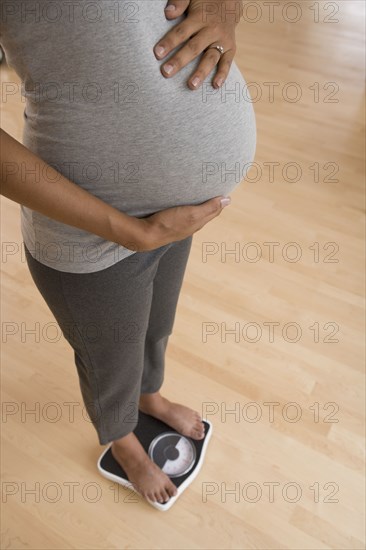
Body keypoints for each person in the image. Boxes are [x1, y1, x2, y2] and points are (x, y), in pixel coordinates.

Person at [0, 0, 256, 504]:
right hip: (91, 234)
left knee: (155, 326)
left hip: (177, 214)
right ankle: (121, 440)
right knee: (110, 358)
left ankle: (149, 396)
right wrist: (126, 230)